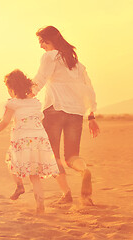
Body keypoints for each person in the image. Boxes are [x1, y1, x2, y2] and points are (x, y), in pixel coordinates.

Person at [32, 26, 100, 206]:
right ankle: (84, 170)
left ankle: (67, 194)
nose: (41, 46)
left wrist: (22, 97)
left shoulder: (50, 56)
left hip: (55, 109)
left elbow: (39, 80)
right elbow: (88, 90)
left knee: (52, 156)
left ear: (49, 40)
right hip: (76, 113)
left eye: (41, 42)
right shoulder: (76, 64)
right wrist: (91, 116)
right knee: (71, 157)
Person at [0, 70, 59, 214]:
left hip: (22, 139)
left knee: (11, 160)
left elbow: (5, 121)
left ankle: (19, 185)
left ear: (11, 89)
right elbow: (38, 118)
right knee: (35, 176)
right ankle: (40, 207)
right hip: (40, 139)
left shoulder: (12, 103)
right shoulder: (35, 102)